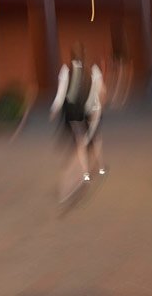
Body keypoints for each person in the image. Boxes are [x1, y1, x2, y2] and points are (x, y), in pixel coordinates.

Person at [50, 42, 106, 197]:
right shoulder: (93, 69)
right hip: (91, 109)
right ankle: (100, 166)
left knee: (80, 141)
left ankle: (85, 173)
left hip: (74, 111)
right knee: (95, 138)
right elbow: (102, 90)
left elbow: (61, 93)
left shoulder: (66, 70)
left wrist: (54, 109)